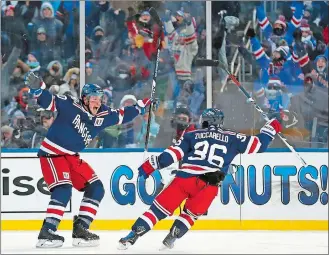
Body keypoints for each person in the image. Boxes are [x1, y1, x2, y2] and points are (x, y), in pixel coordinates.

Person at [24, 71, 156, 248]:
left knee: (96, 188)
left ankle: (81, 229)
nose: (98, 102)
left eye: (100, 98)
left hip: (72, 157)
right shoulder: (70, 104)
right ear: (84, 99)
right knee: (63, 190)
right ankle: (47, 232)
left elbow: (123, 114)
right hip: (53, 154)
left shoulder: (103, 115)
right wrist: (38, 89)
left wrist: (141, 106)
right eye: (94, 98)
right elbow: (49, 101)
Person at [118, 108, 282, 250]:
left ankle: (131, 236)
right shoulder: (233, 138)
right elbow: (260, 144)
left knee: (156, 212)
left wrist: (152, 165)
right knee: (190, 215)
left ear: (204, 120)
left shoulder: (192, 134)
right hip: (209, 186)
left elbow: (173, 154)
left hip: (185, 179)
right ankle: (171, 239)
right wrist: (272, 127)